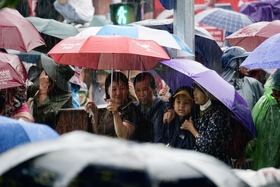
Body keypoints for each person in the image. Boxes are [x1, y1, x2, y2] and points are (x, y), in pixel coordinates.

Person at [182, 82, 233, 166]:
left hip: (216, 166)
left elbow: (208, 147)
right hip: (202, 164)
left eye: (198, 90)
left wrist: (192, 129)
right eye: (194, 89)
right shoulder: (199, 110)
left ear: (208, 92)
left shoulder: (218, 114)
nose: (194, 93)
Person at [85, 71, 142, 140]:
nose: (118, 93)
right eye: (114, 89)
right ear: (107, 91)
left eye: (122, 88)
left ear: (127, 89)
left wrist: (115, 113)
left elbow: (124, 136)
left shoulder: (132, 110)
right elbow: (99, 133)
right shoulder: (109, 109)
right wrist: (94, 113)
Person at [27, 55, 74, 129]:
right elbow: (27, 92)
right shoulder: (38, 88)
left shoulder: (65, 96)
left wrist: (43, 91)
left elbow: (47, 117)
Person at [246, 69, 280, 170]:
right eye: (275, 94)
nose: (278, 99)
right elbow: (252, 131)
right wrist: (245, 152)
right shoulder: (265, 104)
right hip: (262, 158)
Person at [133, 72, 170, 143]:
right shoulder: (133, 108)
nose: (141, 94)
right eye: (137, 90)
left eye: (145, 89)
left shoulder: (165, 108)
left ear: (153, 89)